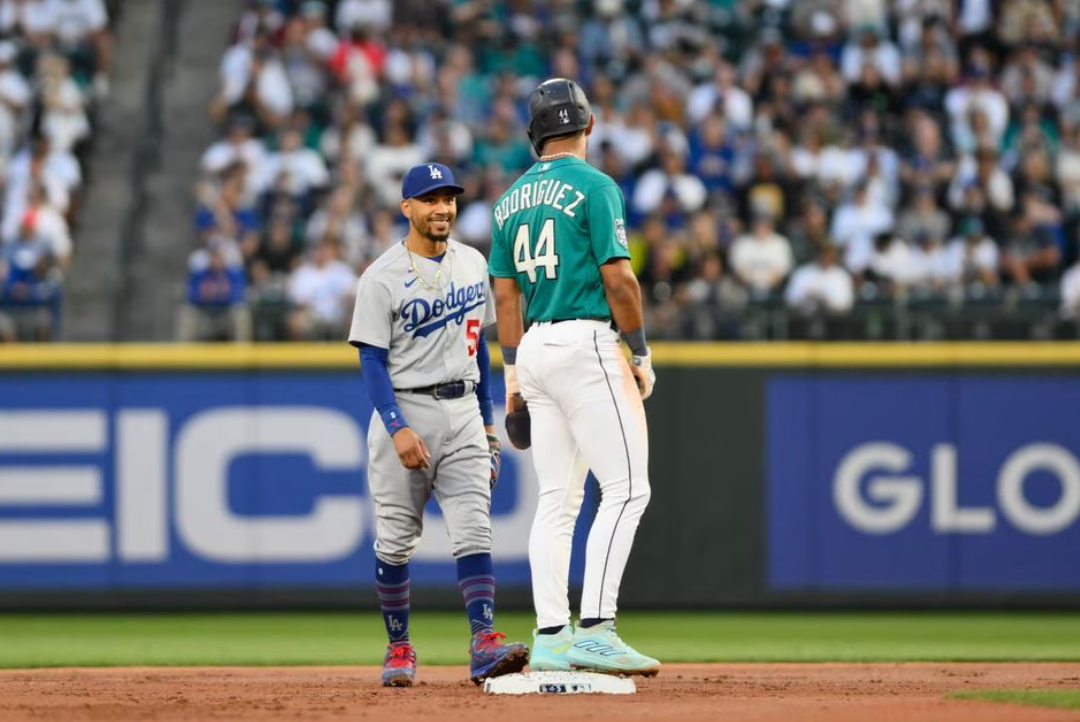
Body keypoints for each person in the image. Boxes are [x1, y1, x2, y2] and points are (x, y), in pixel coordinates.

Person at [489, 78, 660, 677]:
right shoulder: (596, 185)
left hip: (532, 346)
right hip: (586, 341)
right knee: (627, 489)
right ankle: (596, 628)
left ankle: (552, 635)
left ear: (534, 136)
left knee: (557, 504)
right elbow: (621, 282)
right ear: (589, 125)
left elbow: (504, 300)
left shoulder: (507, 201)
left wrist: (511, 377)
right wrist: (638, 352)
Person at [347, 163, 528, 688]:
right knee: (396, 541)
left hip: (465, 409)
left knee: (475, 529)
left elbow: (480, 353)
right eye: (430, 199)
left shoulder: (473, 263)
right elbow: (372, 362)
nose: (442, 208)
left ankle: (483, 644)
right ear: (407, 208)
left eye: (448, 198)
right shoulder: (381, 276)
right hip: (406, 408)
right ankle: (399, 647)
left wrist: (489, 428)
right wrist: (397, 426)